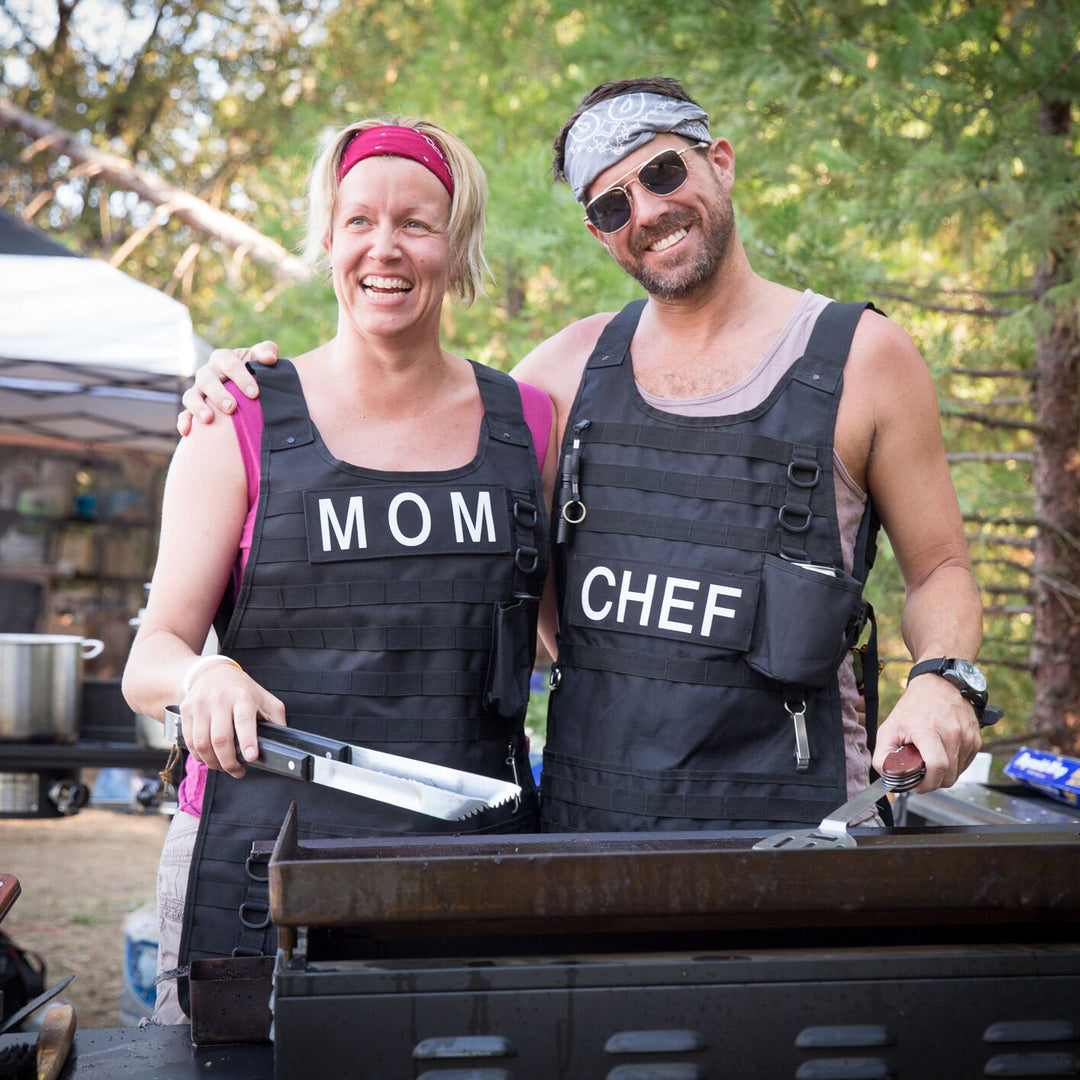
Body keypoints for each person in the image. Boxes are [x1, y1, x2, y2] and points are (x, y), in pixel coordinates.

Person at [179, 78, 992, 836]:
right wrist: (239, 386)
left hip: (797, 830)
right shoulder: (559, 380)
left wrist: (943, 679)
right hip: (585, 834)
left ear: (721, 162)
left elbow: (941, 568)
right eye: (610, 205)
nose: (647, 210)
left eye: (664, 171)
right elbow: (415, 435)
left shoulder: (862, 358)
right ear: (598, 232)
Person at [123, 116, 555, 1023]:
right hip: (257, 866)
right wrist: (205, 672)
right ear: (327, 240)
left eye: (416, 223)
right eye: (359, 221)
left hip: (467, 865)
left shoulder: (531, 428)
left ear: (458, 243)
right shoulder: (236, 416)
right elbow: (150, 655)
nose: (384, 248)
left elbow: (558, 634)